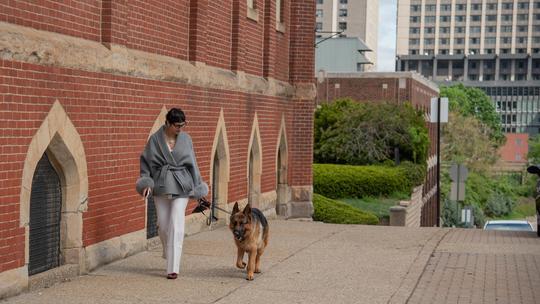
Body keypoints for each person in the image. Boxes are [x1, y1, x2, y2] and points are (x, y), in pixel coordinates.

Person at [136, 108, 208, 279]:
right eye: (177, 125)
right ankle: (168, 250)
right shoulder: (154, 139)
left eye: (182, 125)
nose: (180, 129)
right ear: (167, 123)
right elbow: (145, 163)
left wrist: (198, 188)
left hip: (182, 185)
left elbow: (193, 164)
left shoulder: (186, 139)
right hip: (160, 186)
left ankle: (173, 268)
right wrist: (146, 183)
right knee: (163, 225)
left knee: (177, 223)